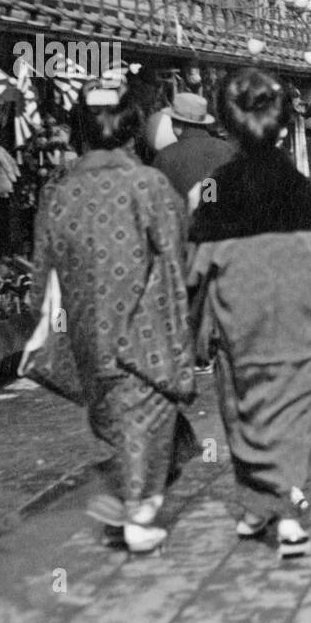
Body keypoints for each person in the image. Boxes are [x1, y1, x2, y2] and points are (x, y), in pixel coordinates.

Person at [31, 77, 197, 554]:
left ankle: (132, 506)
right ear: (132, 130)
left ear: (79, 132)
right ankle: (136, 514)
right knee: (145, 418)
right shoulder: (148, 184)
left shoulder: (57, 192)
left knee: (117, 420)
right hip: (145, 326)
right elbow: (174, 256)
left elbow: (43, 272)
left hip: (86, 331)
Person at [189, 68, 311, 558]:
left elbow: (197, 259)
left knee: (240, 411)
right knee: (291, 411)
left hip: (236, 316)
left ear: (226, 124)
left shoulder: (215, 185)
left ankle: (253, 506)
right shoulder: (296, 184)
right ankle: (288, 514)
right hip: (291, 317)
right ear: (282, 124)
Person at [152, 92, 236, 213]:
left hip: (186, 229)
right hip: (224, 227)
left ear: (177, 123)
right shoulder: (228, 150)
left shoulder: (164, 157)